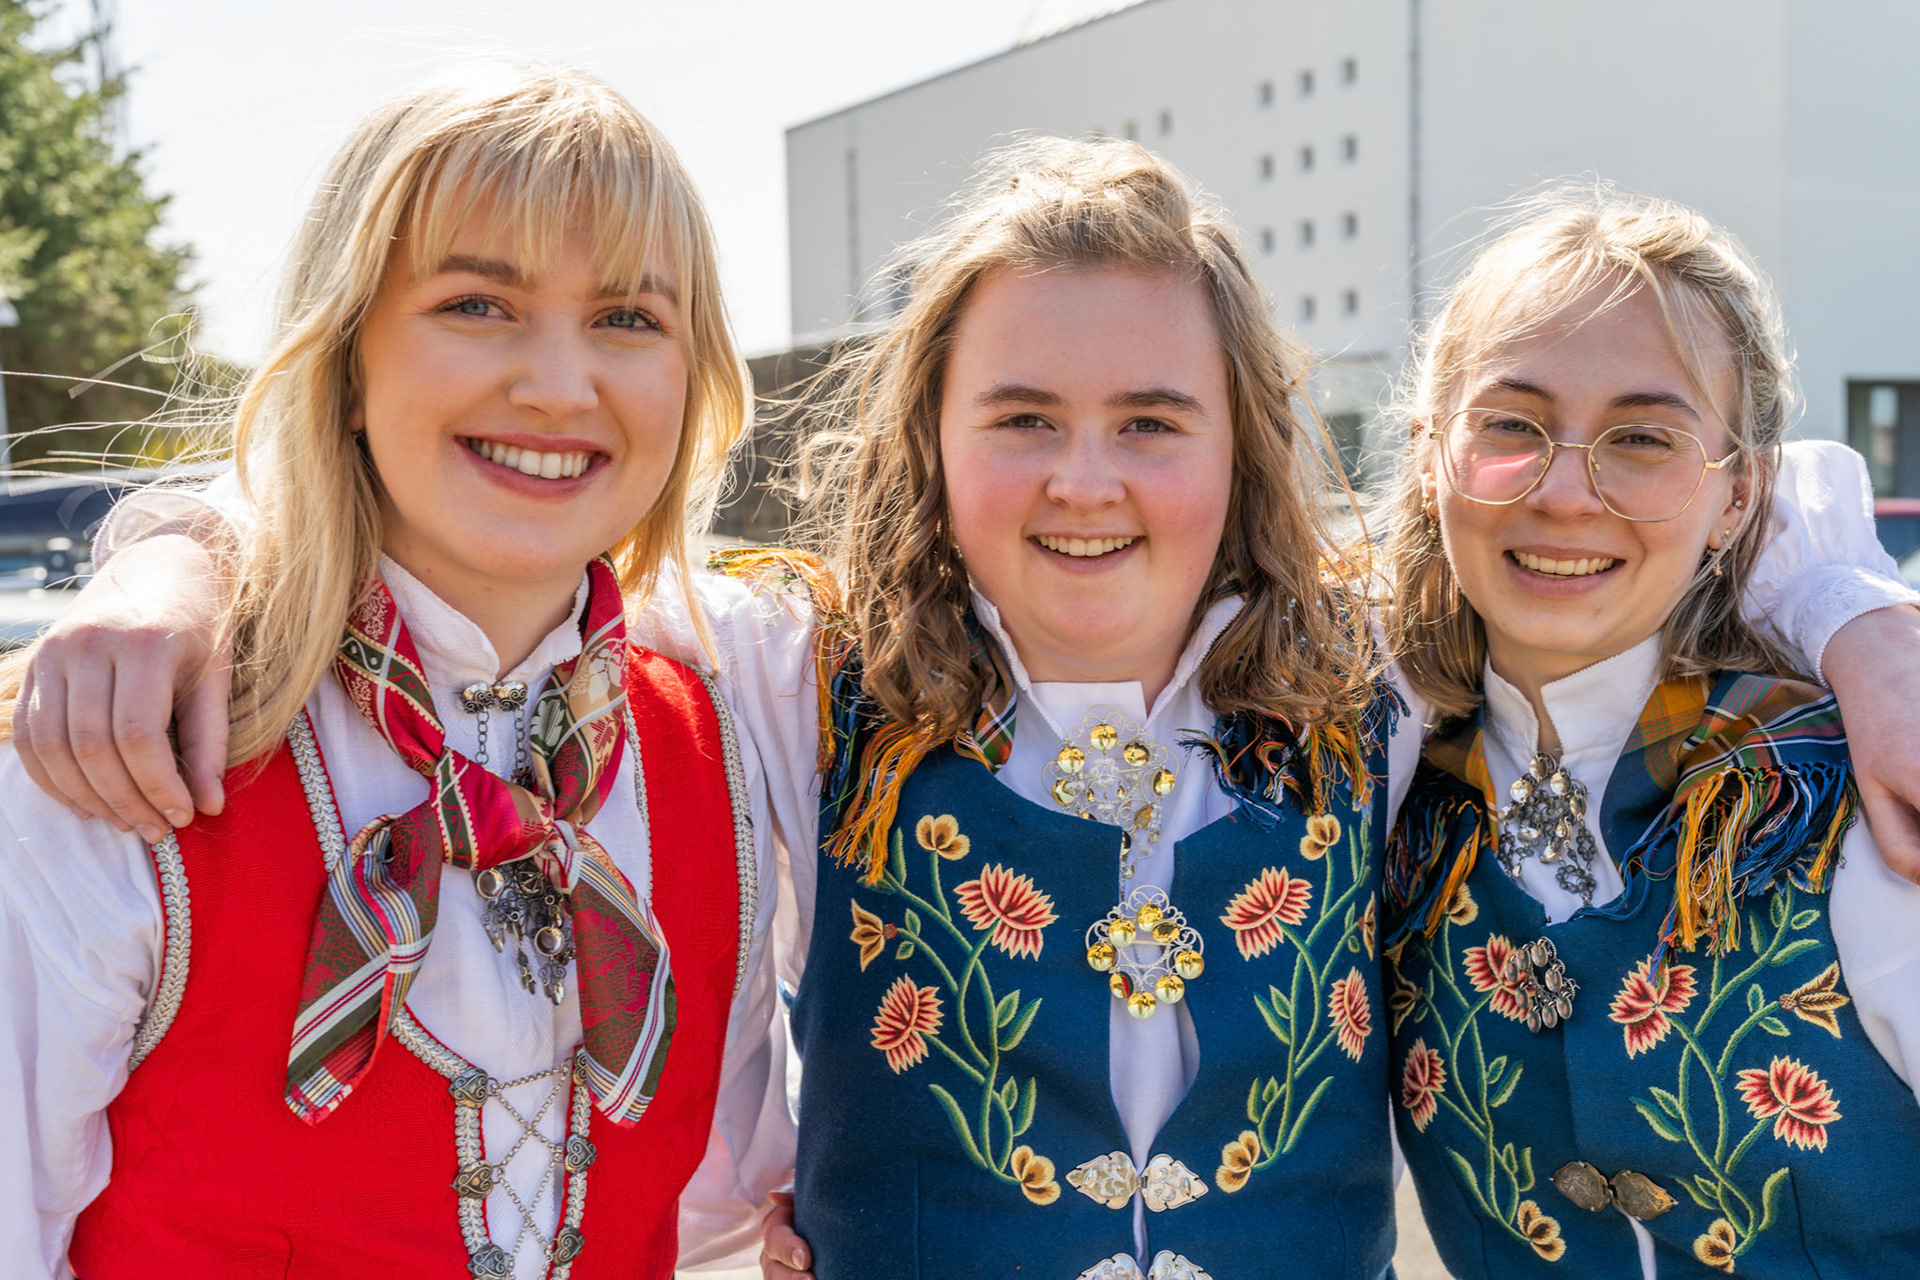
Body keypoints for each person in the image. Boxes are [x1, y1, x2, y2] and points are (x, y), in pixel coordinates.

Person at [16, 143, 1920, 1279]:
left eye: (1152, 421)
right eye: (1021, 418)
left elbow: (1669, 519)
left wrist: (1861, 625)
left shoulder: (1374, 678)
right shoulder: (792, 674)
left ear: (1241, 442)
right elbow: (488, 516)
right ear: (926, 442)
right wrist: (169, 558)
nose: (1086, 480)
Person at [0, 66, 790, 1278]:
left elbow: (718, 1207)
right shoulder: (119, 749)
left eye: (630, 318)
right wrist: (174, 562)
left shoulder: (734, 729)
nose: (559, 385)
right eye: (477, 303)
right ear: (347, 358)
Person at [1379, 189, 1920, 1276]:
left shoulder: (1864, 802)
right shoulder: (1375, 802)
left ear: (1739, 496)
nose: (1566, 493)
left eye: (1641, 438)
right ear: (1432, 455)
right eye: (1512, 425)